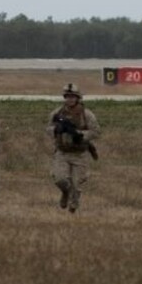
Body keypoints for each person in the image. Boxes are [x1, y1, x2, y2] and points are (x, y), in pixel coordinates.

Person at [46, 83, 101, 213]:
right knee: (60, 179)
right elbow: (48, 128)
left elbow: (96, 131)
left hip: (79, 154)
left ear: (77, 98)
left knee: (76, 184)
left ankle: (73, 207)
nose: (70, 99)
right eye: (67, 97)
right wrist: (56, 130)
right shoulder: (57, 113)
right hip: (62, 152)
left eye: (72, 97)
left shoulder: (86, 114)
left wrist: (80, 135)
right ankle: (65, 193)